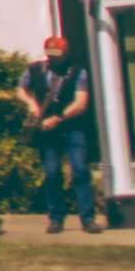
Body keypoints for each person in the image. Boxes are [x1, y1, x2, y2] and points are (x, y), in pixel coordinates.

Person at [19, 33, 102, 234]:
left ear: (66, 52)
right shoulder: (35, 69)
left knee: (81, 171)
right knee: (52, 174)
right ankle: (56, 219)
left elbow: (81, 103)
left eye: (57, 53)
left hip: (72, 128)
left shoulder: (78, 71)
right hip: (47, 131)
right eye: (50, 54)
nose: (53, 57)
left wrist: (58, 119)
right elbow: (21, 90)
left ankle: (88, 219)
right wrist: (32, 104)